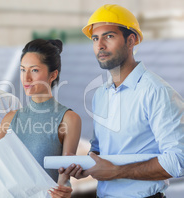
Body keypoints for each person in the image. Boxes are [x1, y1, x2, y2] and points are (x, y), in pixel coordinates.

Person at [59, 4, 184, 198]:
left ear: (131, 41)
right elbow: (100, 150)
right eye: (95, 38)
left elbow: (178, 160)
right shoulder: (101, 95)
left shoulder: (157, 92)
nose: (100, 45)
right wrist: (86, 165)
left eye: (109, 36)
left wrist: (116, 172)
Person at [0, 39, 82, 198]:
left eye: (34, 70)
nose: (26, 78)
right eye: (22, 69)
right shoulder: (10, 119)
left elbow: (64, 176)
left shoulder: (69, 119)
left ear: (53, 75)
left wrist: (64, 190)